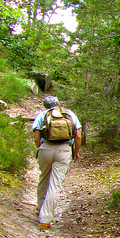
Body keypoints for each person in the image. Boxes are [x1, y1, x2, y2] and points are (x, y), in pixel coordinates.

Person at [32, 96, 82, 230]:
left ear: (45, 105)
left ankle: (40, 206)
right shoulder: (69, 114)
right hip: (64, 150)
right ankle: (45, 219)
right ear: (58, 104)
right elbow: (77, 136)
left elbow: (36, 136)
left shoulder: (42, 115)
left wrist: (40, 148)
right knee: (55, 184)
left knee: (44, 178)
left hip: (46, 149)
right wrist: (76, 152)